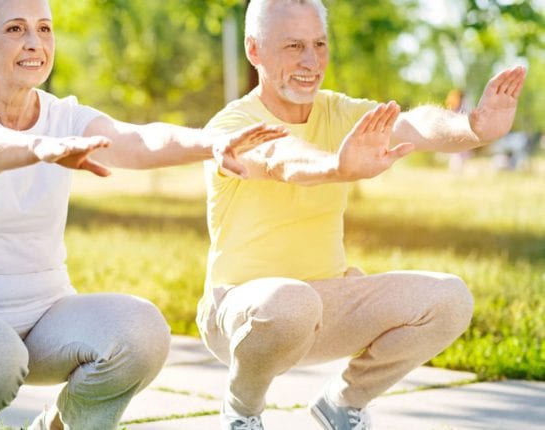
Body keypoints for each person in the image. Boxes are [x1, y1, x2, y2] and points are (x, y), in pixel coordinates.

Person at [0, 1, 287, 429]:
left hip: (41, 321)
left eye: (44, 29)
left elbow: (137, 140)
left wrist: (212, 143)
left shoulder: (65, 117)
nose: (35, 43)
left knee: (141, 331)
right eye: (16, 29)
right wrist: (38, 147)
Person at [195, 1, 527, 429]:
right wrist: (336, 166)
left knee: (449, 298)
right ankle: (242, 412)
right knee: (289, 302)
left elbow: (413, 123)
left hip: (327, 303)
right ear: (254, 50)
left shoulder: (338, 111)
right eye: (294, 45)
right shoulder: (231, 125)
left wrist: (473, 128)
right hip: (243, 315)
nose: (311, 61)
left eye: (319, 43)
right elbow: (281, 157)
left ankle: (342, 403)